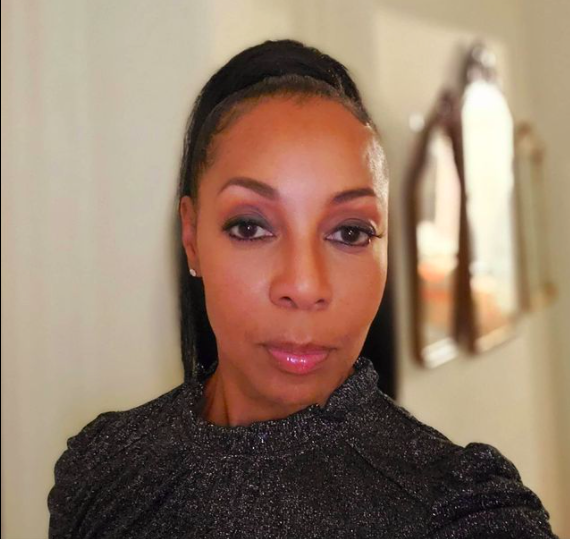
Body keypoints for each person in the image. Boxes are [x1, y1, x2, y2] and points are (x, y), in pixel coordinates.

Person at [47, 40, 558, 538]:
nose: (304, 286)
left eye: (350, 233)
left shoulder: (456, 510)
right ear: (192, 237)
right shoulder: (103, 467)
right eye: (250, 227)